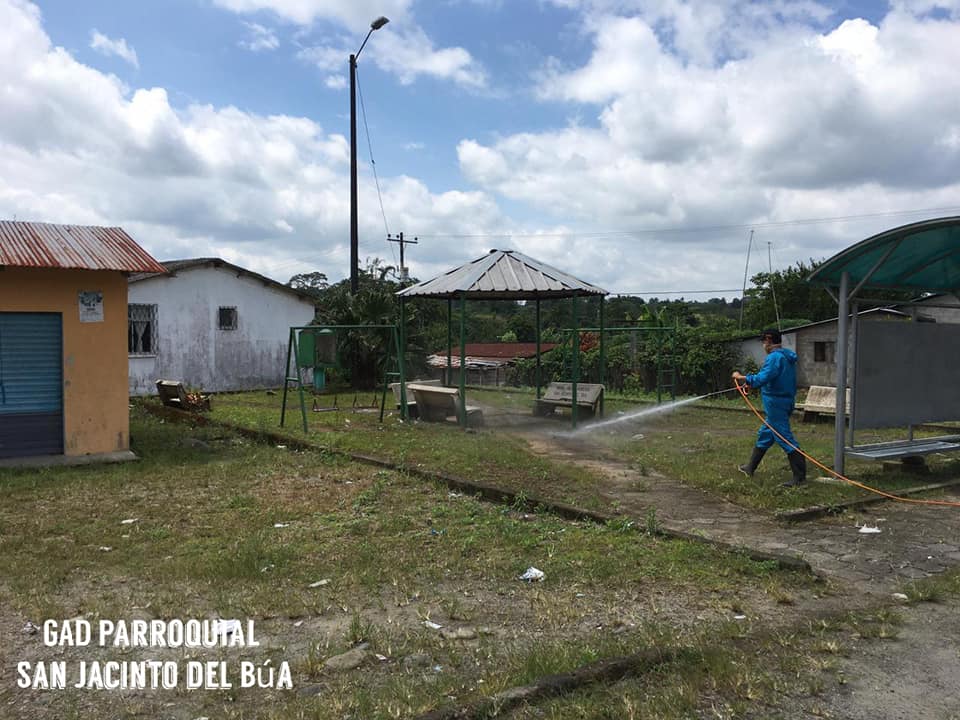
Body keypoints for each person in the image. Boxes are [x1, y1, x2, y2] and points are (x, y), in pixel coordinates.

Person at [732, 329, 806, 487]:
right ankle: (750, 468)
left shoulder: (774, 357)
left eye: (763, 342)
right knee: (765, 434)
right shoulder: (786, 356)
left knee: (784, 437)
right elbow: (773, 378)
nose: (763, 345)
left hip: (776, 403)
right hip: (785, 400)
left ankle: (799, 477)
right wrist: (752, 382)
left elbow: (762, 378)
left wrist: (741, 377)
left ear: (769, 339)